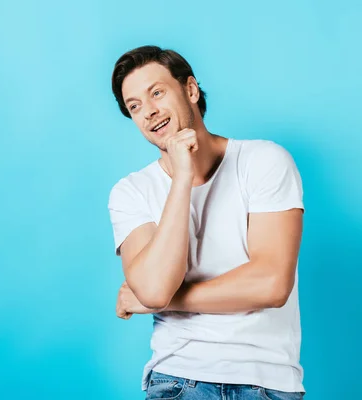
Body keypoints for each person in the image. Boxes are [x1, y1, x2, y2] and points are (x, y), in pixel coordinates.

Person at [107, 45, 306, 400]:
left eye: (157, 93)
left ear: (191, 90)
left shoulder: (264, 161)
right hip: (178, 380)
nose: (149, 112)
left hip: (268, 382)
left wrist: (163, 302)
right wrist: (181, 178)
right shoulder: (131, 192)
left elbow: (272, 284)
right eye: (135, 106)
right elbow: (152, 289)